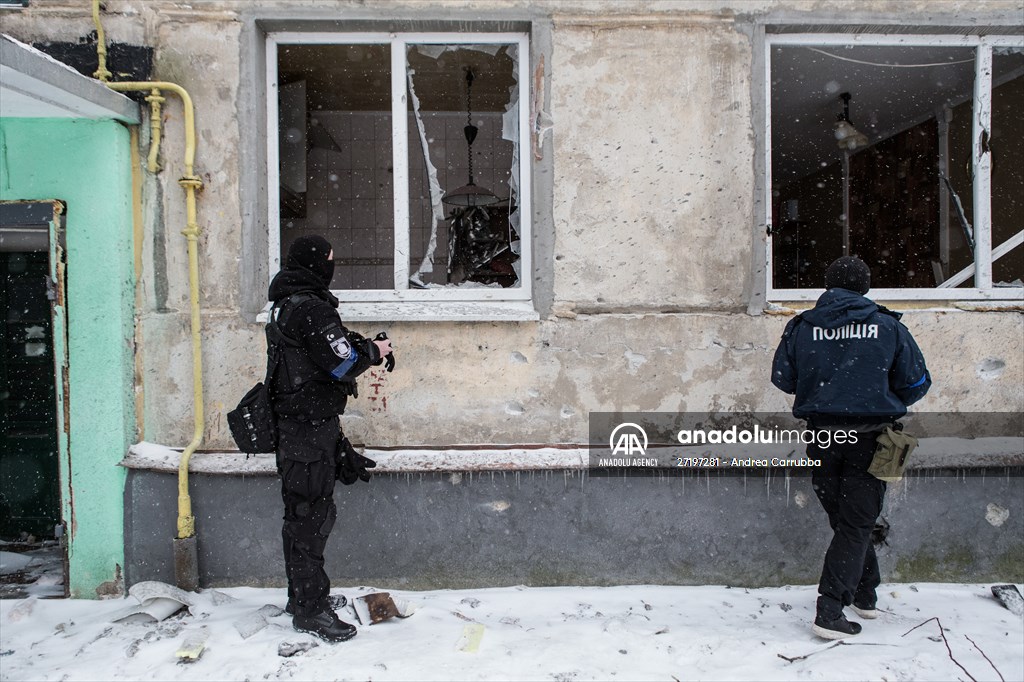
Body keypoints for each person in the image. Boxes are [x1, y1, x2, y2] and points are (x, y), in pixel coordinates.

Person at [771, 256, 930, 640]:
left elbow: (782, 378)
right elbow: (916, 384)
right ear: (865, 287)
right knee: (857, 522)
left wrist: (826, 387)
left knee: (847, 521)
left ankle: (864, 593)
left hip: (823, 436)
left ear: (827, 286)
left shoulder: (802, 327)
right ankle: (829, 611)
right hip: (874, 438)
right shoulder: (888, 326)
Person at [266, 235, 394, 642]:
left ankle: (303, 596)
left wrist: (362, 346)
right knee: (312, 519)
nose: (333, 266)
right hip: (306, 430)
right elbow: (341, 363)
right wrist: (373, 352)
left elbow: (318, 354)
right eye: (330, 260)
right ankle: (310, 611)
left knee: (300, 515)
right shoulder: (311, 309)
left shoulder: (286, 304)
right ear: (316, 263)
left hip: (298, 425)